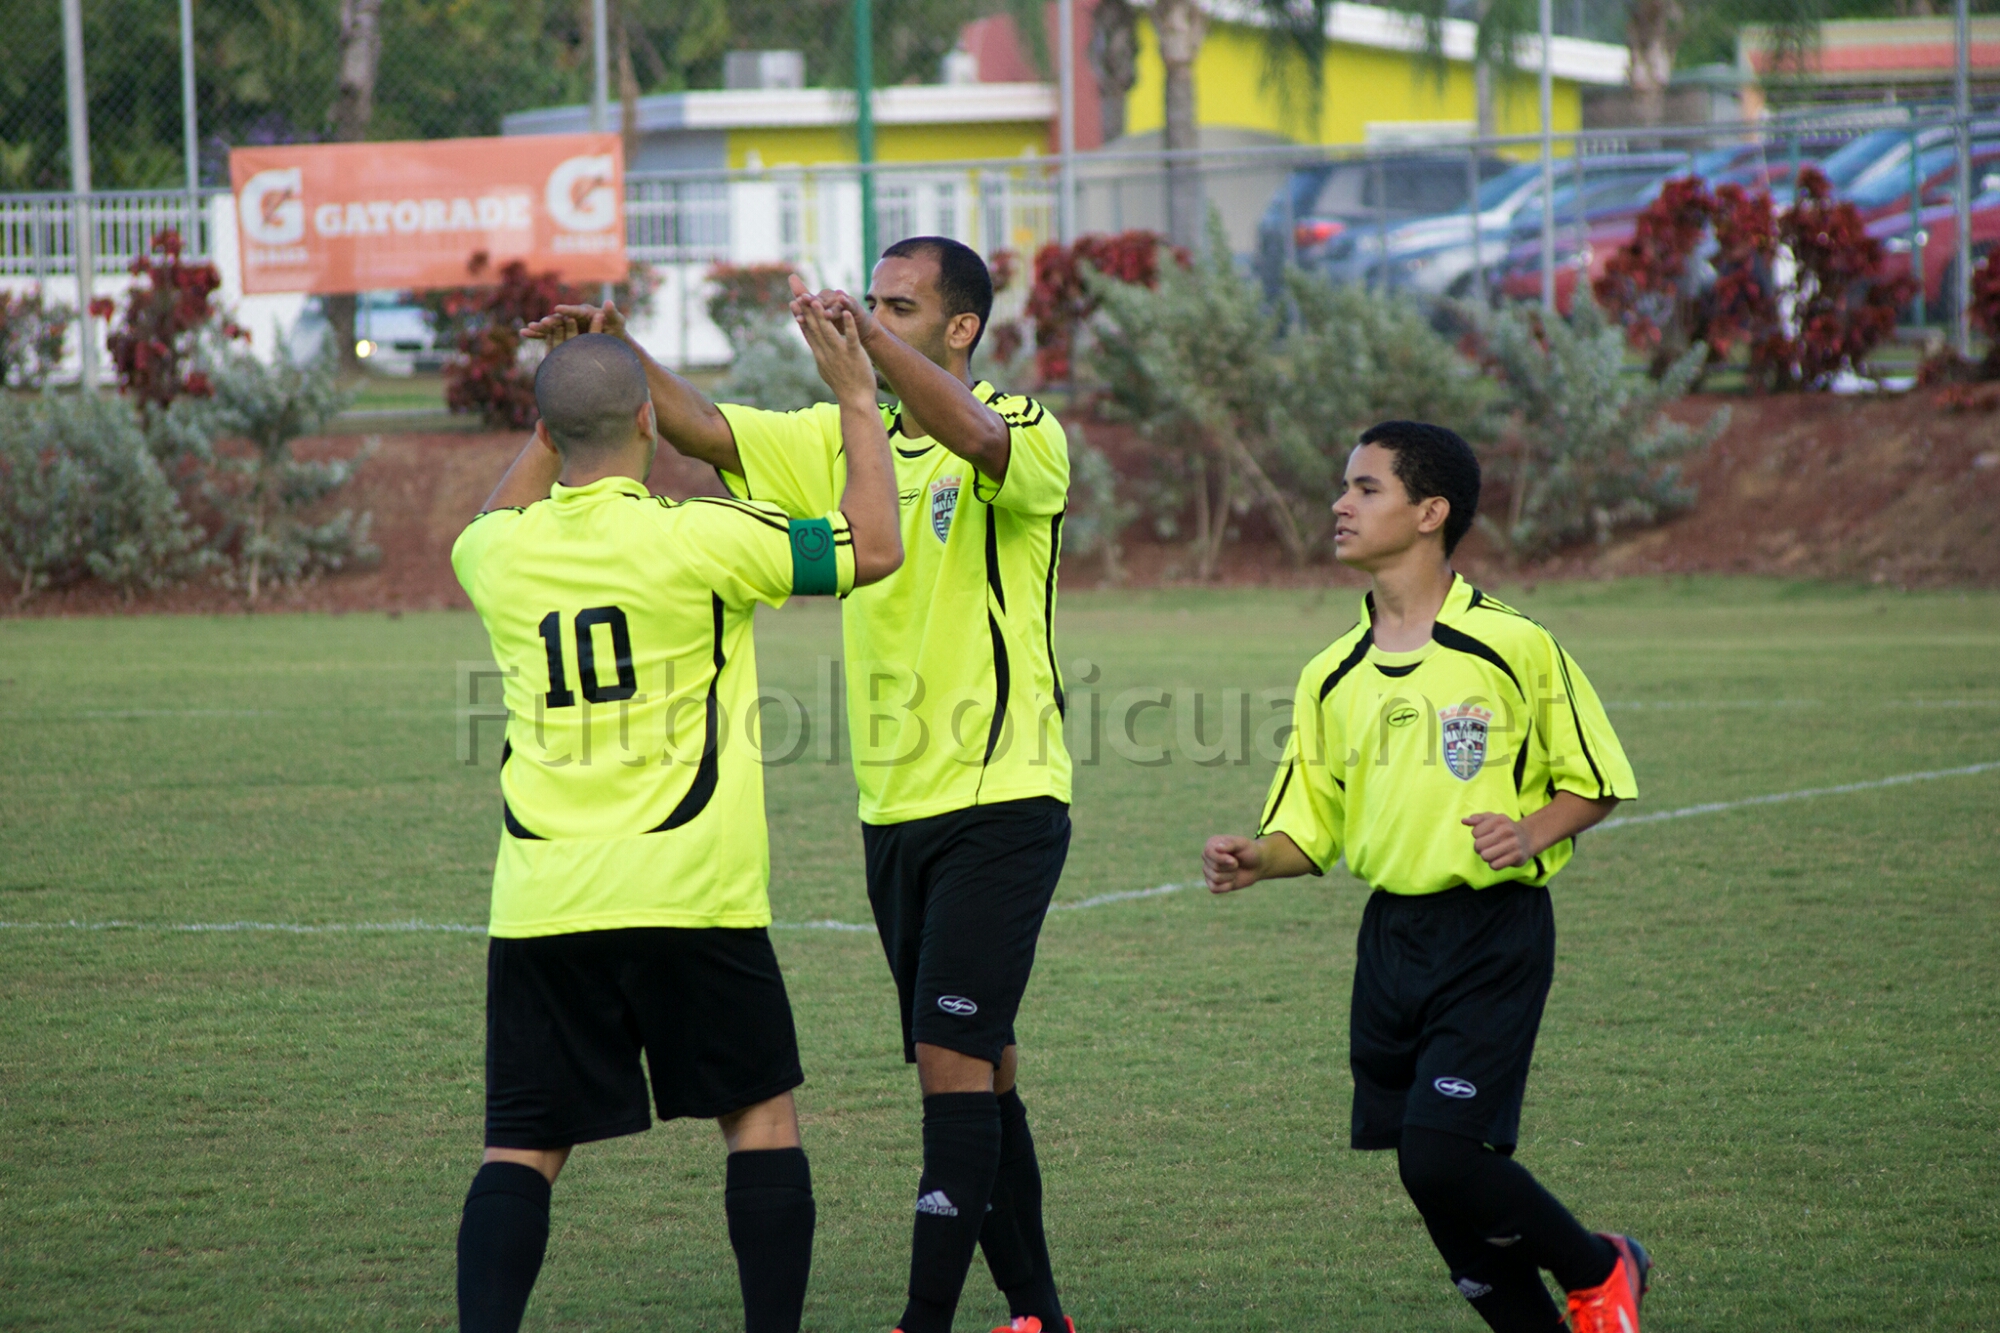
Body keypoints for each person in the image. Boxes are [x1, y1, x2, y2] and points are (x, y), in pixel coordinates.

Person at [524, 235, 1075, 1333]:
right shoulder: (839, 441)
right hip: (892, 811)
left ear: (960, 328)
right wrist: (614, 353)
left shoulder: (1019, 427)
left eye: (898, 305)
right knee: (982, 1065)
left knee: (949, 1059)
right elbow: (707, 430)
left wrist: (861, 354)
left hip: (1003, 799)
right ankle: (1040, 1316)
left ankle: (922, 1320)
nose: (866, 314)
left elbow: (968, 435)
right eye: (868, 298)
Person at [449, 299, 903, 1333]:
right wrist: (855, 399)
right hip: (691, 893)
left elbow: (504, 506)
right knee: (758, 1115)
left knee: (521, 1144)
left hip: (542, 899)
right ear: (651, 424)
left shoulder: (493, 558)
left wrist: (564, 393)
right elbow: (872, 545)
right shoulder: (704, 538)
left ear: (552, 433)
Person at [1199, 421, 1651, 1333]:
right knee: (1423, 1170)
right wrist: (1259, 859)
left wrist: (1529, 832)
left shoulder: (1512, 646)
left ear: (1430, 512)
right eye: (1344, 486)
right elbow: (1309, 826)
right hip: (1391, 941)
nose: (1341, 503)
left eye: (1367, 488)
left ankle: (1603, 1265)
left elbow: (1596, 779)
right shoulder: (1331, 673)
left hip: (1492, 931)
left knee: (1443, 1156)